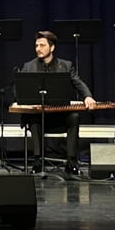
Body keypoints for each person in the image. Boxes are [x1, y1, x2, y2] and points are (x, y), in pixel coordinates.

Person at [20, 30, 97, 176]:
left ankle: (71, 161)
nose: (38, 49)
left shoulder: (65, 66)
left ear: (52, 47)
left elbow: (78, 83)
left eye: (42, 45)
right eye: (36, 46)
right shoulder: (29, 66)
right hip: (40, 117)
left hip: (60, 116)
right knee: (34, 119)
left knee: (73, 117)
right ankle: (38, 161)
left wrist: (87, 96)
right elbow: (19, 90)